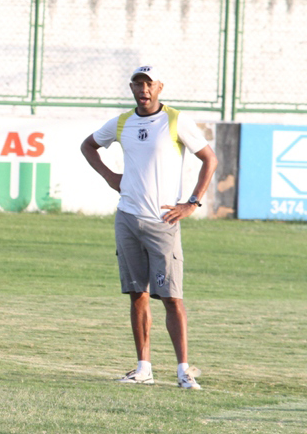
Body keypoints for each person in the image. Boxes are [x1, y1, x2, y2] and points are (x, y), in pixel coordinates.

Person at [80, 65, 218, 389]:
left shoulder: (175, 120)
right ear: (131, 88)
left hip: (163, 221)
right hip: (127, 218)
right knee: (137, 294)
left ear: (159, 87)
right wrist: (110, 176)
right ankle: (144, 369)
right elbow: (88, 145)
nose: (143, 90)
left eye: (149, 84)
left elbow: (209, 159)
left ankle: (183, 371)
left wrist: (192, 202)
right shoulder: (122, 122)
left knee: (171, 297)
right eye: (138, 84)